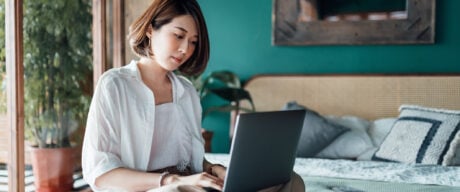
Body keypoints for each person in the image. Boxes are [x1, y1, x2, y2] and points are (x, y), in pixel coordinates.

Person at [82, 0, 304, 191]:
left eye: (193, 42)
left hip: (189, 185)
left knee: (289, 180)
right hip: (155, 188)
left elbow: (192, 161)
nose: (185, 49)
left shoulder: (186, 91)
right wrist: (171, 180)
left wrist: (214, 169)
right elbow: (100, 171)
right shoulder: (115, 85)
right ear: (151, 30)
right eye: (178, 36)